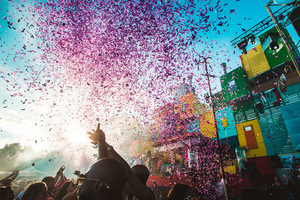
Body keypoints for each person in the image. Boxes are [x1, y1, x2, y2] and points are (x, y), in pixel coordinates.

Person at [87, 123, 155, 200]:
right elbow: (105, 165)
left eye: (125, 179)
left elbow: (127, 172)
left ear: (133, 181)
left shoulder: (146, 196)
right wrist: (102, 144)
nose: (123, 181)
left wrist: (103, 142)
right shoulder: (130, 195)